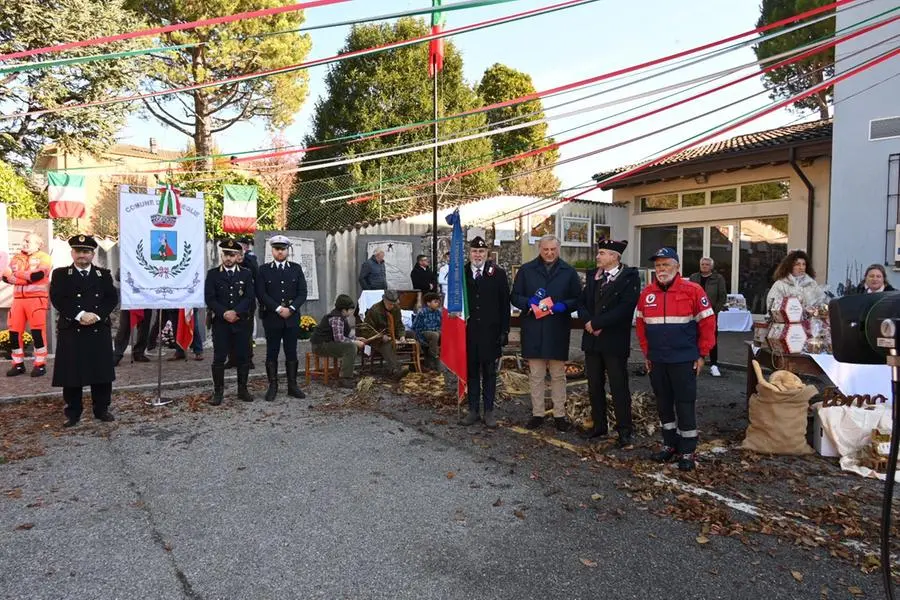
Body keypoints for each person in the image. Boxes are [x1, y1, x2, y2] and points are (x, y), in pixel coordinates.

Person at [636, 247, 716, 471]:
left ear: (677, 267)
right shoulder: (647, 293)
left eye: (666, 264)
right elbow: (641, 327)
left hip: (684, 359)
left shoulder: (693, 290)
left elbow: (708, 325)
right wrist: (647, 354)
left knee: (685, 403)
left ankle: (688, 450)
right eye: (658, 265)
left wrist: (702, 355)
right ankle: (669, 444)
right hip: (657, 360)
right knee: (663, 404)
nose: (661, 269)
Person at [511, 235, 582, 431]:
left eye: (553, 249)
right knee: (536, 374)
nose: (549, 253)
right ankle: (538, 413)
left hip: (557, 327)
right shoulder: (526, 270)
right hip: (534, 328)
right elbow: (515, 296)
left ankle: (559, 414)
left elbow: (578, 298)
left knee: (558, 374)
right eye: (545, 250)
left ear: (558, 249)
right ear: (539, 249)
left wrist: (562, 306)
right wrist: (528, 303)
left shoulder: (568, 271)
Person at [577, 238, 640, 448]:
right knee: (594, 385)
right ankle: (599, 426)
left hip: (613, 341)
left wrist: (597, 322)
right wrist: (588, 321)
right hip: (592, 340)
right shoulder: (593, 276)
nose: (598, 256)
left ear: (614, 257)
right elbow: (583, 302)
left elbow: (625, 307)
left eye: (602, 253)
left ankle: (624, 431)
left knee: (618, 386)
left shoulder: (629, 278)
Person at [49, 235, 118, 427]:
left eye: (86, 252)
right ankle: (73, 412)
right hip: (72, 328)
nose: (82, 255)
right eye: (78, 251)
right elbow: (58, 298)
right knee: (72, 373)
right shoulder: (61, 274)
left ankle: (102, 409)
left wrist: (96, 315)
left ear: (92, 254)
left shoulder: (103, 275)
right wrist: (80, 315)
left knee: (101, 371)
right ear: (72, 253)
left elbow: (111, 298)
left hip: (97, 327)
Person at [460, 237, 510, 429]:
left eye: (481, 252)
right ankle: (473, 410)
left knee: (489, 373)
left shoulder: (497, 274)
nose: (478, 255)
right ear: (469, 253)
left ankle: (489, 411)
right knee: (472, 373)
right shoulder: (462, 273)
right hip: (469, 333)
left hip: (491, 333)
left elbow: (505, 304)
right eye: (474, 251)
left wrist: (504, 330)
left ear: (487, 253)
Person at [256, 235, 308, 401]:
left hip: (291, 318)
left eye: (283, 249)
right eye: (277, 249)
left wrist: (291, 309)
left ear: (287, 251)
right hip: (273, 318)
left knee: (291, 352)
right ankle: (273, 386)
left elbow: (302, 292)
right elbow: (261, 293)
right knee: (272, 352)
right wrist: (278, 308)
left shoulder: (296, 268)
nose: (280, 252)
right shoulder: (263, 270)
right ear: (272, 250)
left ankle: (292, 386)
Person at [205, 239, 255, 405]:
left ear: (238, 256)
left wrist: (236, 312)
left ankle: (243, 390)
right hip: (221, 323)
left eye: (232, 255)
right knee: (219, 358)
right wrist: (224, 312)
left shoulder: (246, 274)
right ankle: (218, 392)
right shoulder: (213, 274)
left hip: (240, 322)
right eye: (226, 254)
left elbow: (249, 297)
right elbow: (210, 298)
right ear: (222, 254)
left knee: (243, 357)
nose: (228, 258)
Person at [2, 232, 52, 377]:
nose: (24, 243)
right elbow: (5, 276)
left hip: (36, 300)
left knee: (37, 333)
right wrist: (25, 276)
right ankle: (17, 364)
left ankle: (40, 364)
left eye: (28, 241)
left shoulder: (45, 258)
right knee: (14, 333)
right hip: (18, 301)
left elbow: (38, 275)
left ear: (38, 244)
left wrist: (18, 275)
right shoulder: (16, 258)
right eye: (24, 240)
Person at [310, 294, 366, 389]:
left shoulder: (341, 317)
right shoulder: (336, 318)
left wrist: (356, 338)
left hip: (327, 343)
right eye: (350, 309)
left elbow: (345, 334)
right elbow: (339, 338)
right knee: (350, 347)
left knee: (351, 345)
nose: (352, 311)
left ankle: (347, 372)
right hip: (320, 345)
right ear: (344, 310)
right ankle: (345, 378)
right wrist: (354, 342)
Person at [224, 236, 260, 370]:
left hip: (247, 303)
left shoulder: (250, 260)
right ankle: (232, 358)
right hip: (231, 302)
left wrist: (244, 258)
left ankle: (247, 359)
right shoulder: (228, 262)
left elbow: (256, 273)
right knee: (230, 332)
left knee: (246, 333)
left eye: (239, 249)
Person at [689, 257, 728, 377]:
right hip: (694, 314)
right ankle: (694, 361)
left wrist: (714, 312)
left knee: (711, 339)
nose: (704, 266)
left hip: (710, 314)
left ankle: (714, 365)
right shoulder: (693, 277)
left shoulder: (718, 278)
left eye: (707, 264)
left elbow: (722, 296)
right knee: (694, 337)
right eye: (702, 264)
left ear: (711, 266)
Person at [358, 289, 408, 379]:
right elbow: (366, 329)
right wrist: (381, 337)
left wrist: (402, 336)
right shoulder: (375, 310)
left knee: (412, 335)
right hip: (377, 338)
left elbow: (400, 324)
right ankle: (395, 370)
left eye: (393, 304)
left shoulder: (396, 308)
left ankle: (414, 365)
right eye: (390, 304)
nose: (392, 306)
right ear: (384, 300)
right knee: (387, 344)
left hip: (393, 334)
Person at [413, 292, 442, 370]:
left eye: (438, 302)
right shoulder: (422, 312)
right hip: (424, 332)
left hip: (436, 332)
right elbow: (416, 327)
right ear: (428, 303)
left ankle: (446, 358)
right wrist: (421, 341)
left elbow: (441, 325)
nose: (438, 303)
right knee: (434, 335)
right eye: (435, 302)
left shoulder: (439, 312)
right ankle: (434, 356)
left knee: (443, 334)